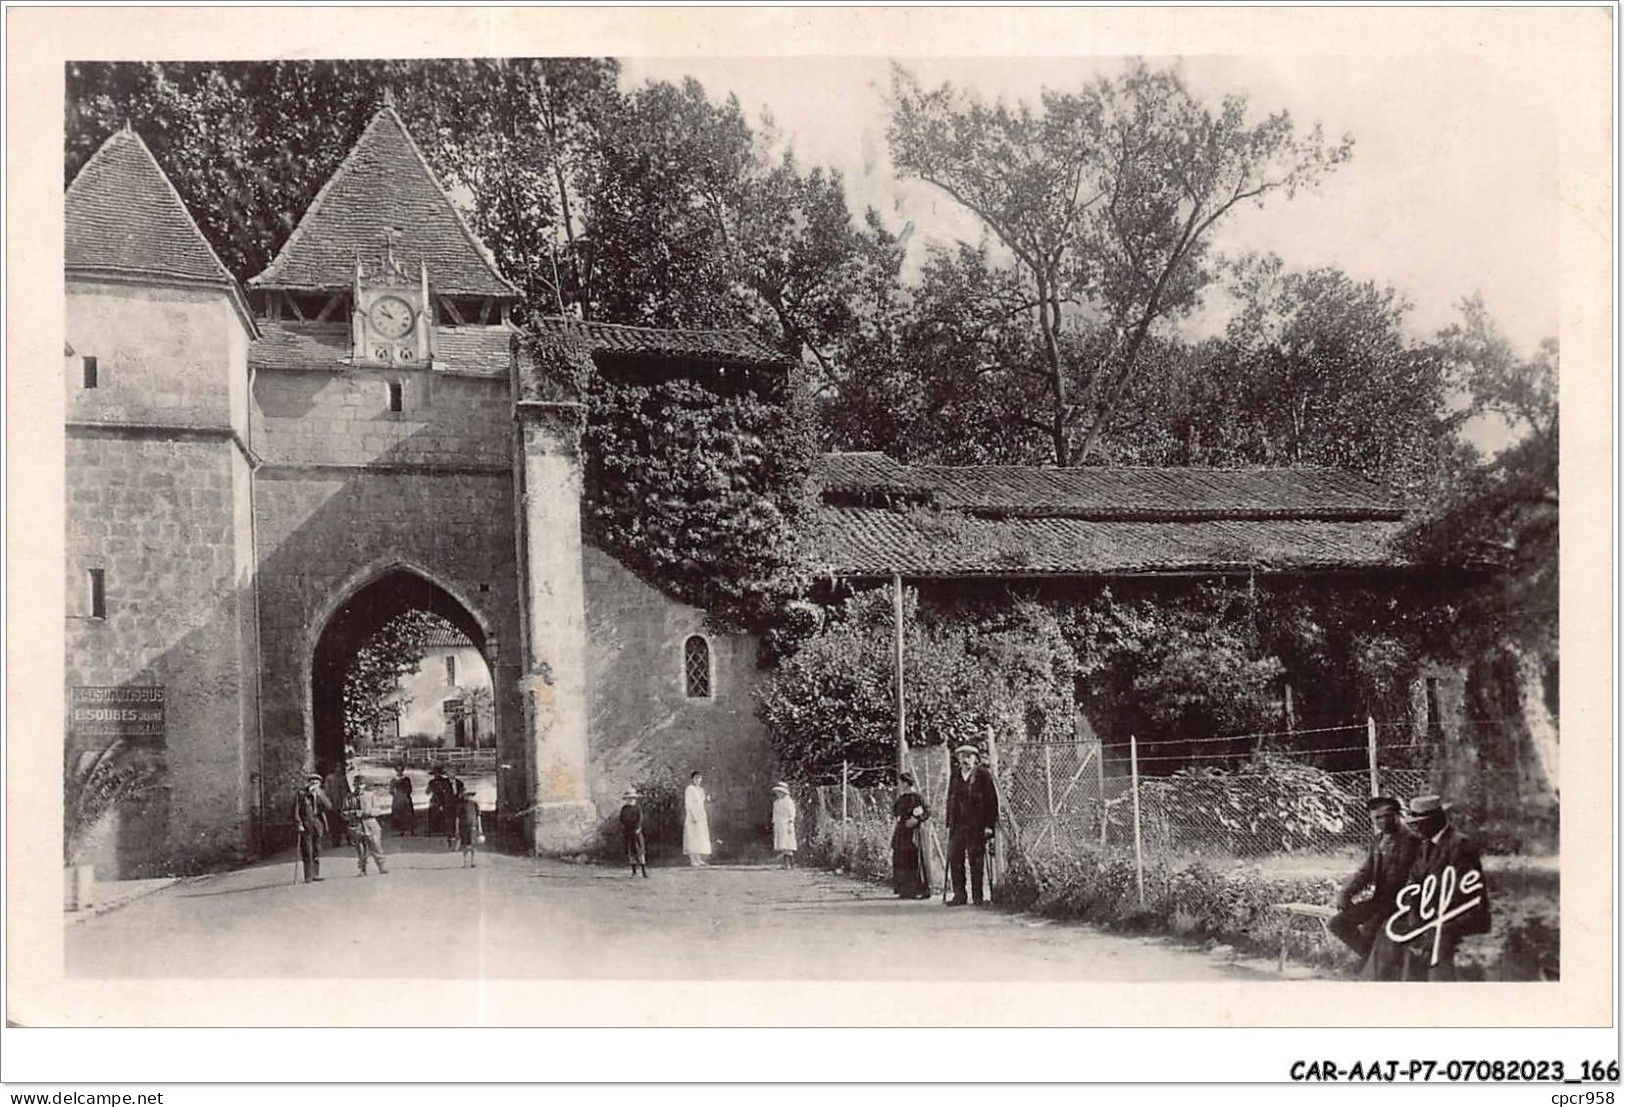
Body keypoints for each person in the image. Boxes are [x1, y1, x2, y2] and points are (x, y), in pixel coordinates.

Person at [1394, 794, 1492, 981]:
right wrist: (1415, 916)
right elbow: (1413, 884)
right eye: (1414, 822)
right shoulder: (1424, 845)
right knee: (1406, 936)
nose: (1416, 827)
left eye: (1420, 822)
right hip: (1432, 913)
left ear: (1437, 820)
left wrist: (1430, 923)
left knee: (1438, 939)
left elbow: (1462, 895)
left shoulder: (1459, 845)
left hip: (1464, 914)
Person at [1327, 795, 1417, 980]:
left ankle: (1377, 968)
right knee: (1338, 923)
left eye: (1387, 816)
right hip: (1380, 900)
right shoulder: (1378, 840)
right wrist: (1346, 893)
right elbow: (1365, 872)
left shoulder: (1414, 841)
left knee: (1371, 928)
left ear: (1399, 815)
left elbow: (1418, 878)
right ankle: (1374, 962)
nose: (1382, 821)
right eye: (1377, 818)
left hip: (1405, 903)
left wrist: (1408, 903)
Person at [945, 744, 998, 907]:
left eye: (969, 756)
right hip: (958, 825)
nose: (965, 759)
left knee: (976, 861)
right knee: (955, 859)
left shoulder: (983, 775)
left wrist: (989, 825)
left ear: (975, 758)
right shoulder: (955, 775)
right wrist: (948, 821)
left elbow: (991, 801)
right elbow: (950, 798)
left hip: (977, 825)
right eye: (962, 756)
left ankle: (977, 897)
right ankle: (959, 895)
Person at [890, 772, 932, 899]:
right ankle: (905, 889)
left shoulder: (918, 797)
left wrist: (917, 819)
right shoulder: (901, 798)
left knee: (915, 858)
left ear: (905, 783)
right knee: (901, 857)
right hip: (902, 831)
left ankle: (920, 889)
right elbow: (895, 812)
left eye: (901, 783)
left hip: (914, 832)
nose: (899, 785)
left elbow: (927, 811)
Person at [341, 777, 389, 876]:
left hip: (370, 824)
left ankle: (381, 866)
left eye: (361, 784)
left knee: (376, 846)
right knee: (360, 849)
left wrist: (367, 812)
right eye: (357, 784)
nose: (359, 787)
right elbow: (343, 813)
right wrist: (353, 813)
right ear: (354, 785)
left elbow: (378, 810)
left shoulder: (371, 795)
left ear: (365, 785)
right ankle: (362, 869)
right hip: (356, 825)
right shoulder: (349, 797)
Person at [292, 772, 332, 883]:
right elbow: (296, 810)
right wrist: (298, 823)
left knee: (317, 850)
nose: (314, 783)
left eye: (317, 782)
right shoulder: (301, 794)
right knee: (307, 851)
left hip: (317, 823)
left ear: (319, 784)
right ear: (308, 783)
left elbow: (329, 806)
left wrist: (320, 796)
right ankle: (308, 876)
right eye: (312, 781)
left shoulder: (321, 794)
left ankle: (316, 874)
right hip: (305, 824)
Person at [683, 771, 712, 867]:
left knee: (701, 836)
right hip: (692, 815)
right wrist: (693, 815)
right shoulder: (689, 789)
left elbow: (701, 802)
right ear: (692, 779)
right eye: (696, 778)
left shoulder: (701, 790)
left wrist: (707, 799)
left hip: (701, 814)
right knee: (692, 836)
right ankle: (693, 860)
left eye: (699, 778)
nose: (698, 780)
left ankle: (699, 859)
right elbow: (688, 803)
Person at [619, 789, 648, 878]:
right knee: (630, 852)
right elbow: (622, 819)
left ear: (635, 799)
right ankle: (634, 871)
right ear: (626, 799)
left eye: (632, 798)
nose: (630, 800)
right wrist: (624, 827)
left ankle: (644, 872)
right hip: (627, 831)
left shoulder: (637, 808)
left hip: (636, 832)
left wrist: (638, 828)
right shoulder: (624, 809)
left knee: (640, 851)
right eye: (628, 798)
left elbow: (640, 819)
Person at [770, 782, 798, 869]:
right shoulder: (777, 803)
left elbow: (792, 813)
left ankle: (791, 863)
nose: (778, 794)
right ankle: (785, 864)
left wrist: (790, 822)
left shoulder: (789, 802)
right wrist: (774, 823)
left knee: (788, 844)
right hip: (779, 824)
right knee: (782, 844)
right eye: (777, 792)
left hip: (786, 824)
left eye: (779, 792)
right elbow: (775, 814)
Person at [455, 787, 483, 868]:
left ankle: (473, 861)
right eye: (466, 795)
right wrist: (456, 829)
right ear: (463, 796)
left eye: (469, 795)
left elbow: (478, 816)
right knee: (464, 845)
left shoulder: (474, 804)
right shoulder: (460, 805)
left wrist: (480, 828)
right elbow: (457, 818)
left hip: (473, 826)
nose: (467, 796)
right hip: (463, 827)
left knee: (473, 844)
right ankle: (465, 861)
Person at [426, 765, 454, 841]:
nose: (436, 775)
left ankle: (444, 830)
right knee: (433, 813)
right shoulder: (432, 782)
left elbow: (449, 791)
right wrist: (430, 789)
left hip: (443, 799)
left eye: (438, 773)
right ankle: (433, 830)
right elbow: (427, 792)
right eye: (435, 774)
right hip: (435, 799)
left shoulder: (445, 781)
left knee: (444, 814)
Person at [390, 765, 415, 836]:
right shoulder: (393, 780)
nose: (399, 772)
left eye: (401, 770)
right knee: (399, 813)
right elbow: (391, 790)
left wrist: (406, 794)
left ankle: (410, 829)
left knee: (408, 813)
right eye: (398, 770)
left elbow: (410, 789)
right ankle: (401, 830)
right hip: (397, 798)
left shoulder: (406, 779)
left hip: (405, 797)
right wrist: (395, 794)